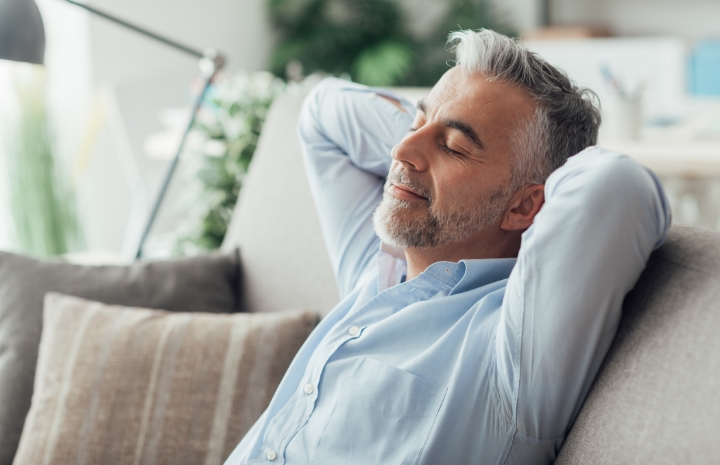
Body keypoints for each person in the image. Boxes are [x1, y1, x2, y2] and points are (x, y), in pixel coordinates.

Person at [224, 29, 671, 465]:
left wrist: (542, 176)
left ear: (525, 205)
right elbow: (323, 111)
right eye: (415, 124)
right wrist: (438, 130)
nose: (400, 151)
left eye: (455, 147)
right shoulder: (378, 270)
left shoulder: (514, 356)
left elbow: (615, 186)